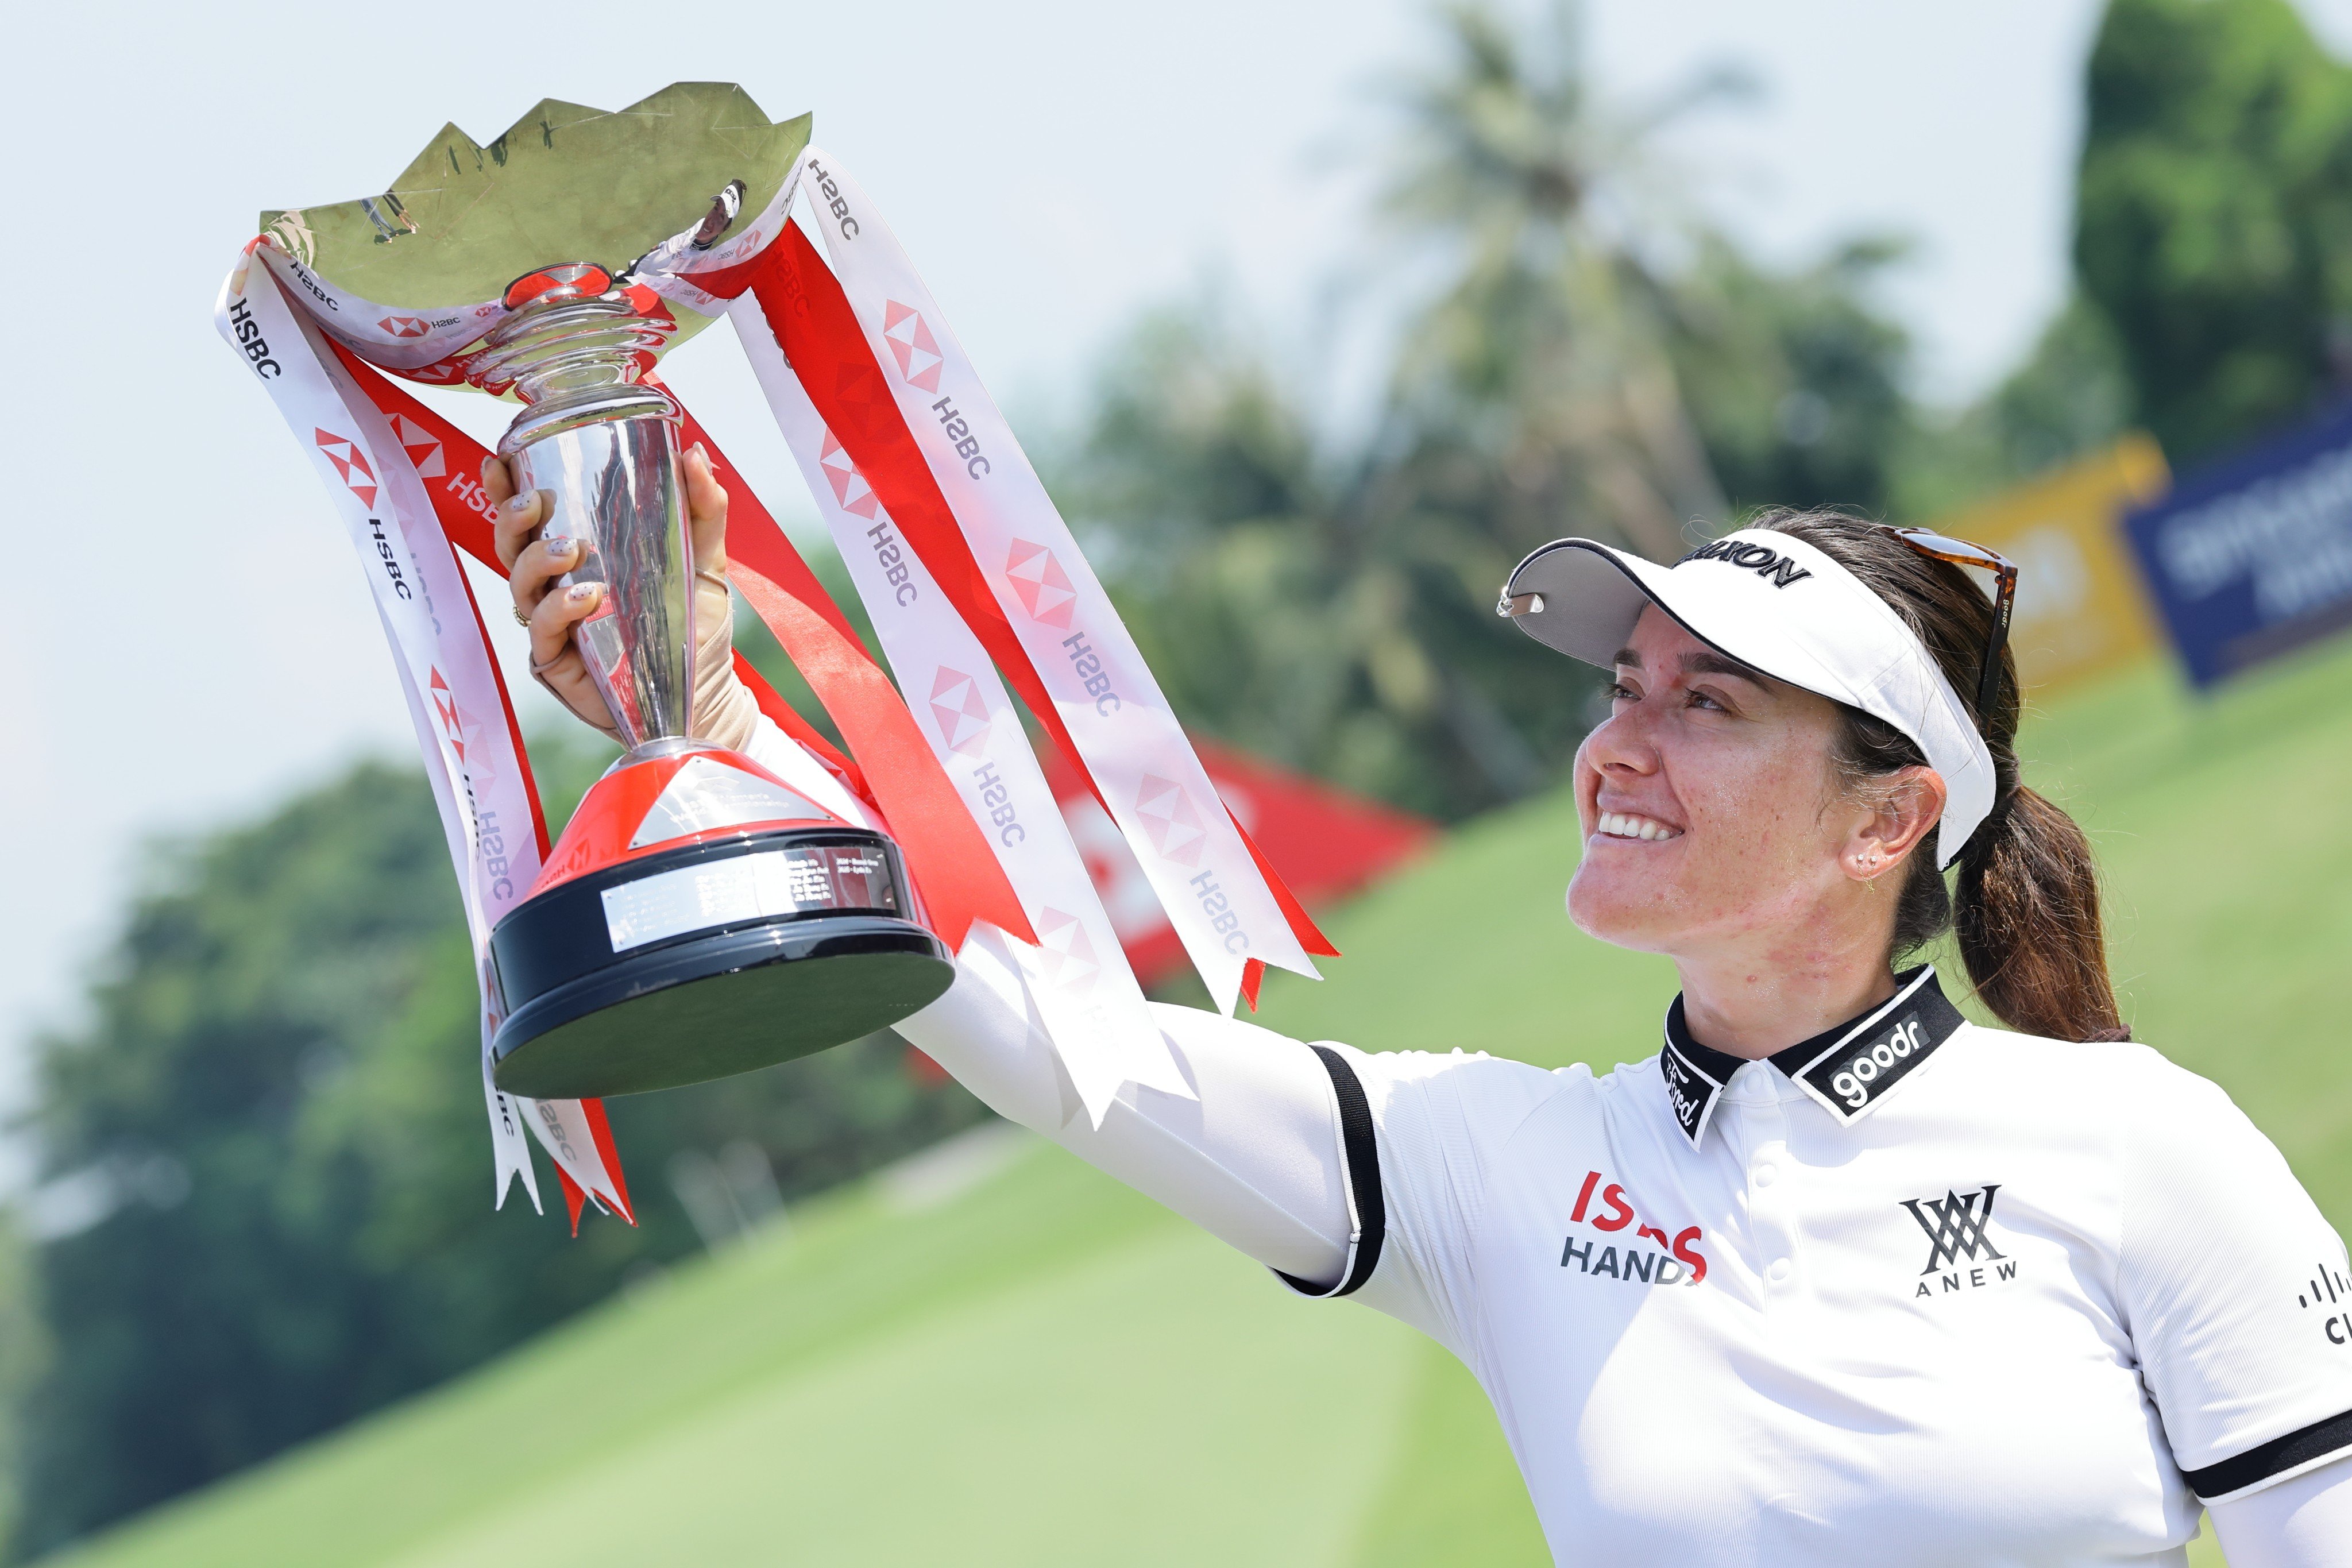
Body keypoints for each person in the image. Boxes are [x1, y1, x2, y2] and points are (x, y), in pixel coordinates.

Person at [493, 454, 2352, 1566]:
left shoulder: (2139, 1145)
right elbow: (1076, 1053)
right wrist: (715, 729)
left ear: (1889, 814)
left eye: (1710, 704)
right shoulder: (1504, 1168)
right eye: (1624, 683)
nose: (1616, 740)